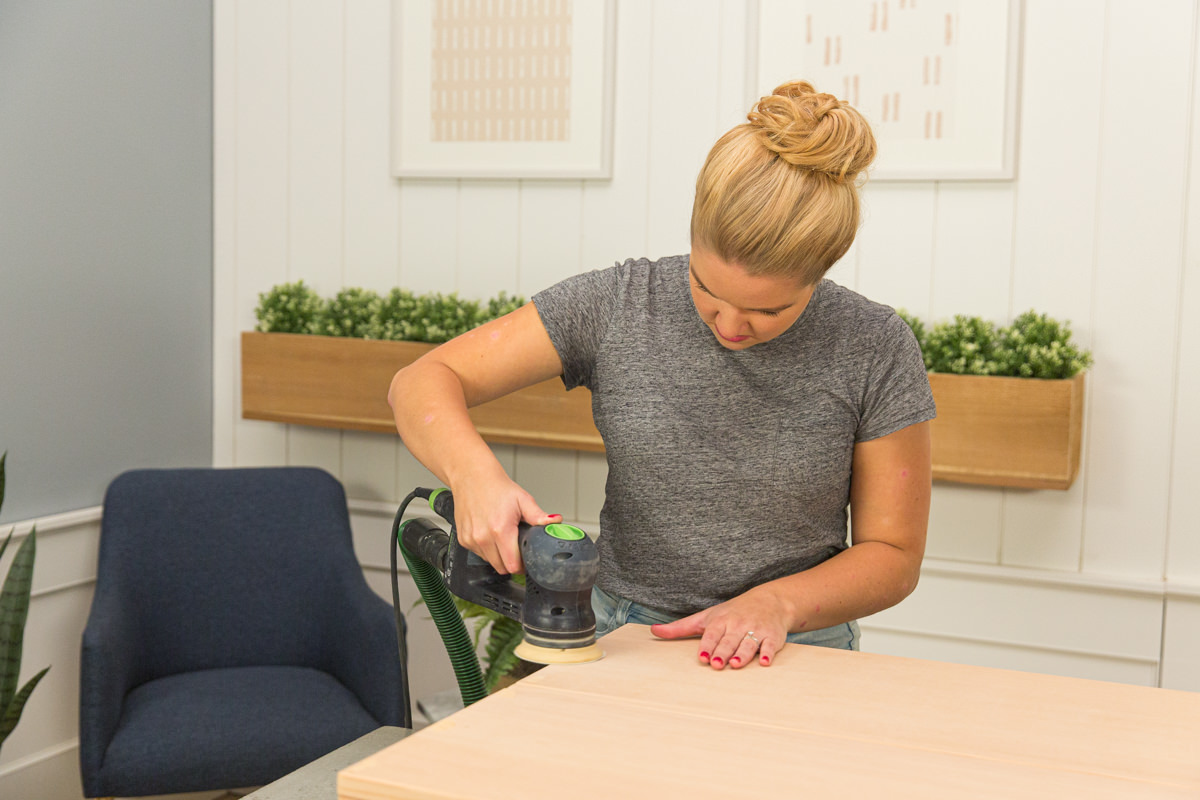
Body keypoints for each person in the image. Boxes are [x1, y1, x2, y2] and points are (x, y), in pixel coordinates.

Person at [389, 80, 935, 672]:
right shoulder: (623, 302)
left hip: (796, 646)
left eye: (768, 311)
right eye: (706, 288)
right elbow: (422, 379)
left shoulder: (873, 345)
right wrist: (474, 476)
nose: (729, 324)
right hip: (623, 637)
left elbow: (893, 553)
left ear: (820, 274)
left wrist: (778, 603)